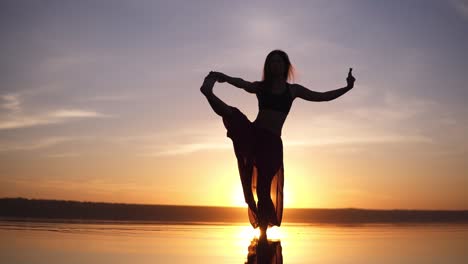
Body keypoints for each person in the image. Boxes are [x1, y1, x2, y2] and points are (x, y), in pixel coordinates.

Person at [200, 49, 355, 239]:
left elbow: (322, 96)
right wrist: (225, 77)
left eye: (279, 61)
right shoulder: (261, 87)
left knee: (264, 189)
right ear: (268, 66)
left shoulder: (293, 90)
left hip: (272, 145)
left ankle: (263, 232)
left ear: (285, 66)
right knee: (234, 115)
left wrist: (347, 88)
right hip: (254, 135)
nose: (275, 64)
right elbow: (243, 84)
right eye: (272, 62)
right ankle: (208, 93)